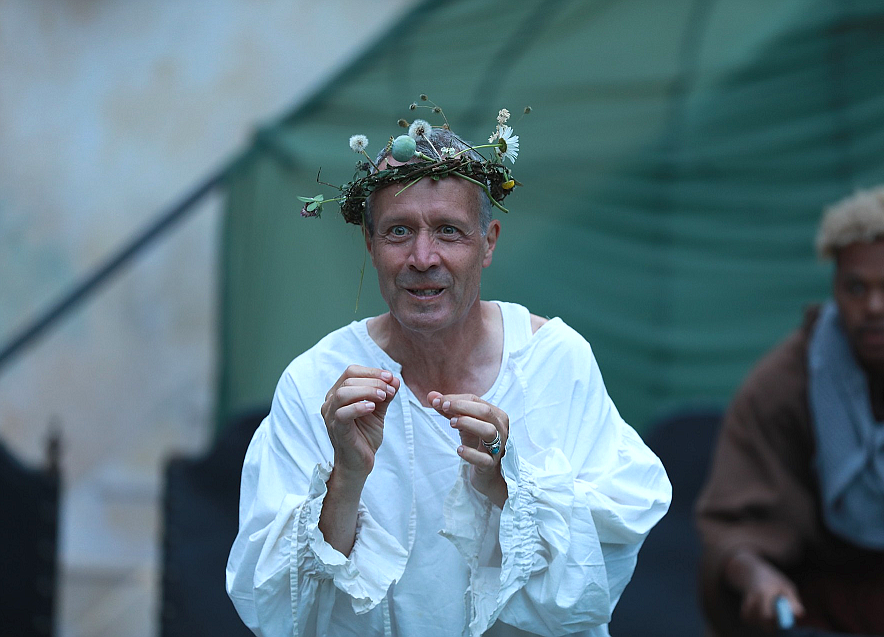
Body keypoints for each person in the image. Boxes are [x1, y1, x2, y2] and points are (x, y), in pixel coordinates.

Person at [226, 108, 671, 637]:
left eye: (449, 231)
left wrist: (509, 484)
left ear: (488, 243)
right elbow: (277, 608)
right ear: (369, 245)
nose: (422, 256)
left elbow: (602, 570)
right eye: (397, 231)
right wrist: (345, 477)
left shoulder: (554, 362)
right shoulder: (317, 383)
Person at [696, 185, 884, 636]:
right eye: (856, 288)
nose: (875, 307)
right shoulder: (781, 386)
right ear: (835, 289)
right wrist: (757, 575)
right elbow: (732, 526)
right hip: (813, 610)